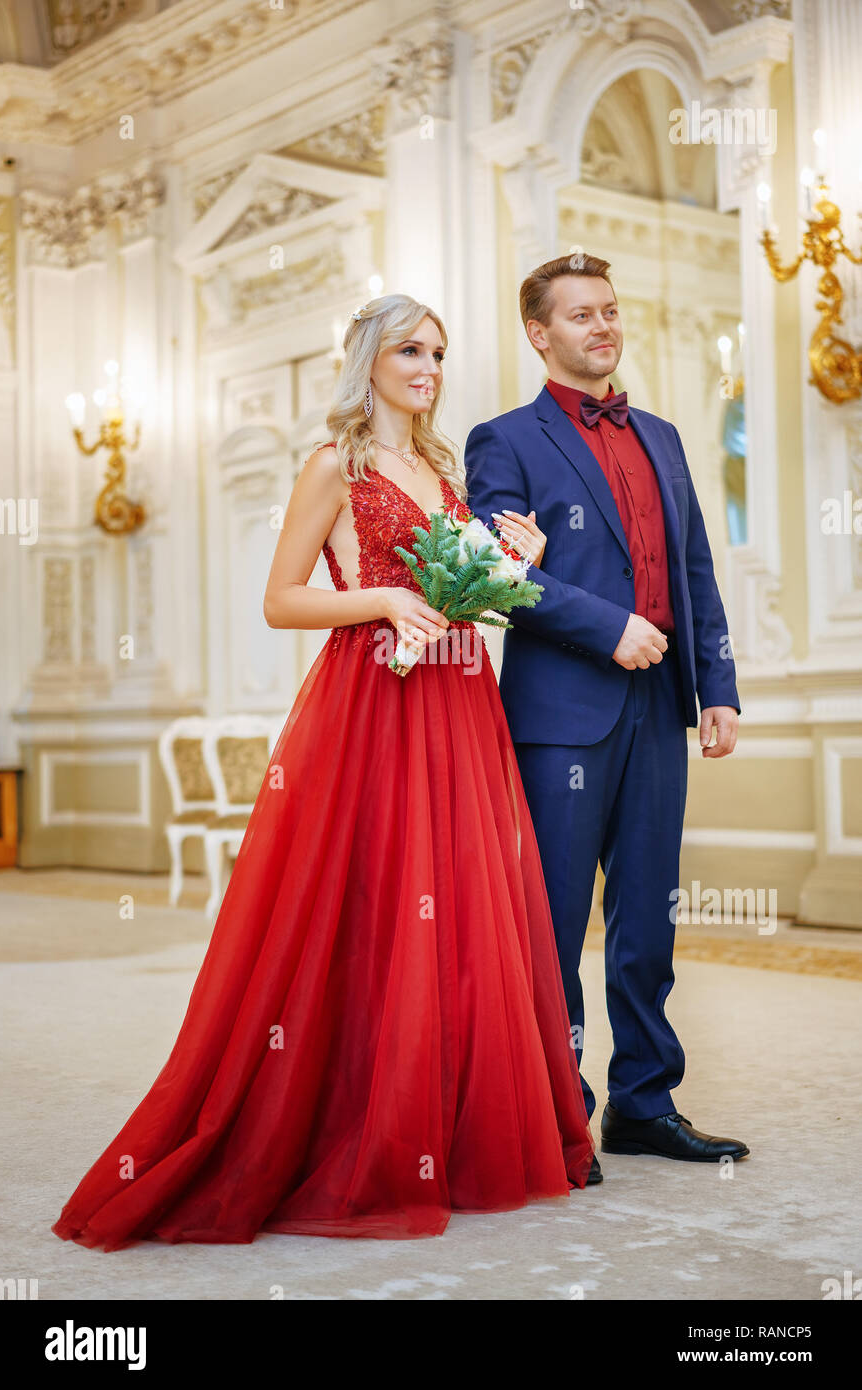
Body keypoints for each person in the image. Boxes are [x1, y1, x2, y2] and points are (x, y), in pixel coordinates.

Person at [51, 293, 597, 1253]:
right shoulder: (330, 467)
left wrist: (513, 563)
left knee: (463, 907)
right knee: (374, 904)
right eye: (407, 350)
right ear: (368, 360)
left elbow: (462, 593)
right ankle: (360, 1128)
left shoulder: (442, 466)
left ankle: (446, 1130)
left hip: (458, 697)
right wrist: (381, 595)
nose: (427, 366)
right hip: (373, 703)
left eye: (436, 350)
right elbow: (280, 599)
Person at [464, 254, 749, 1167]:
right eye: (580, 315)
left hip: (659, 698)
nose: (602, 327)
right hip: (560, 713)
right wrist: (607, 627)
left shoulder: (663, 436)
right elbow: (499, 578)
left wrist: (718, 685)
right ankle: (555, 1114)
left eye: (610, 311)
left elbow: (695, 567)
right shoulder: (500, 440)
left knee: (646, 916)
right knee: (550, 921)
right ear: (538, 334)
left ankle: (642, 1103)